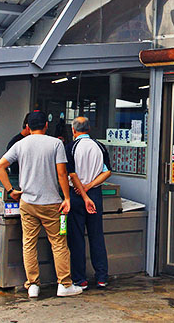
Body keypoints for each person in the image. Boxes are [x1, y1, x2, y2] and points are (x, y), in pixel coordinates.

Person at [0, 111, 82, 299]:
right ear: (45, 125)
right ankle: (64, 285)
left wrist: (11, 190)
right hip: (53, 205)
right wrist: (66, 198)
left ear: (28, 127)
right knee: (59, 243)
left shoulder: (20, 145)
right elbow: (61, 174)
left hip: (27, 203)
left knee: (29, 243)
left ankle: (33, 285)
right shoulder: (56, 144)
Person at [66, 116, 111, 289]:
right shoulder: (99, 146)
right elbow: (107, 172)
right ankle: (102, 277)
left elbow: (71, 174)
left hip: (77, 195)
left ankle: (80, 279)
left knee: (76, 237)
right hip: (95, 194)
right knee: (96, 235)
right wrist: (91, 186)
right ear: (89, 129)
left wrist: (82, 190)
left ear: (73, 130)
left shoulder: (70, 147)